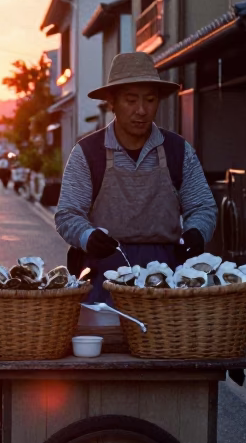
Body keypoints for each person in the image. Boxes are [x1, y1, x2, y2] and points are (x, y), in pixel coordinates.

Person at [54, 52, 217, 304]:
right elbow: (67, 214)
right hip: (103, 274)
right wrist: (87, 236)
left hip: (167, 276)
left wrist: (196, 232)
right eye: (131, 100)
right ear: (112, 102)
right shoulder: (87, 153)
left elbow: (203, 206)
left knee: (162, 343)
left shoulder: (178, 150)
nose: (141, 110)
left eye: (150, 100)